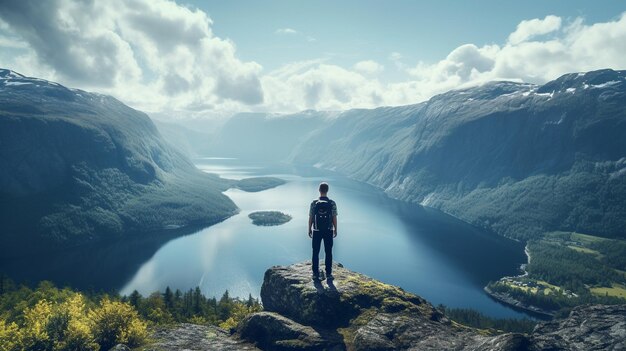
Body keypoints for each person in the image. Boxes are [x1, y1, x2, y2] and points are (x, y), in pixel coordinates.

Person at [308, 182, 338, 280]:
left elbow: (311, 217)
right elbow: (334, 217)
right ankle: (328, 273)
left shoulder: (314, 203)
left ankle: (315, 273)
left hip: (316, 230)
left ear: (319, 190)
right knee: (328, 252)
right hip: (328, 230)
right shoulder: (332, 203)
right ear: (327, 190)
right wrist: (335, 229)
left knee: (315, 252)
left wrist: (309, 229)